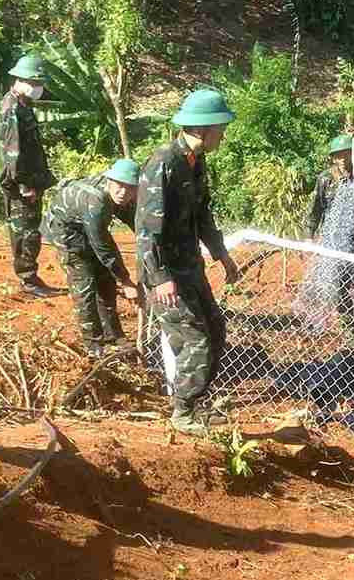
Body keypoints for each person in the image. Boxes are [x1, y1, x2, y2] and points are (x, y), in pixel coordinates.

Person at [136, 88, 242, 436]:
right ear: (202, 129)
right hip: (165, 273)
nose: (223, 135)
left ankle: (194, 403)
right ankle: (182, 412)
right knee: (195, 339)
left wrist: (221, 253)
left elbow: (203, 216)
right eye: (220, 129)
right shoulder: (164, 162)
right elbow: (147, 230)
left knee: (214, 329)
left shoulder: (197, 163)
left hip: (190, 267)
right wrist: (160, 276)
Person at [41, 159, 142, 358]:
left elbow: (138, 224)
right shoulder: (96, 200)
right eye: (120, 185)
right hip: (66, 231)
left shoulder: (120, 195)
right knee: (85, 284)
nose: (124, 192)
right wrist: (127, 281)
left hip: (88, 227)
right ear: (109, 180)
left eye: (130, 188)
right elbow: (103, 246)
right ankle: (94, 345)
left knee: (106, 281)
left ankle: (113, 335)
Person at [0, 54, 63, 298]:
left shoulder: (23, 104)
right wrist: (24, 184)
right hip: (21, 184)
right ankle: (28, 281)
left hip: (30, 180)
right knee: (25, 231)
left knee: (31, 229)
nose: (39, 89)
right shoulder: (12, 108)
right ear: (21, 80)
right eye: (36, 84)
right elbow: (13, 152)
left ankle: (31, 278)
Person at [306, 133, 354, 332]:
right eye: (337, 155)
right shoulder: (326, 179)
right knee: (339, 282)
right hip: (334, 241)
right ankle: (348, 323)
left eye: (346, 154)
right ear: (332, 158)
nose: (342, 159)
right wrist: (310, 233)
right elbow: (316, 208)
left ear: (353, 154)